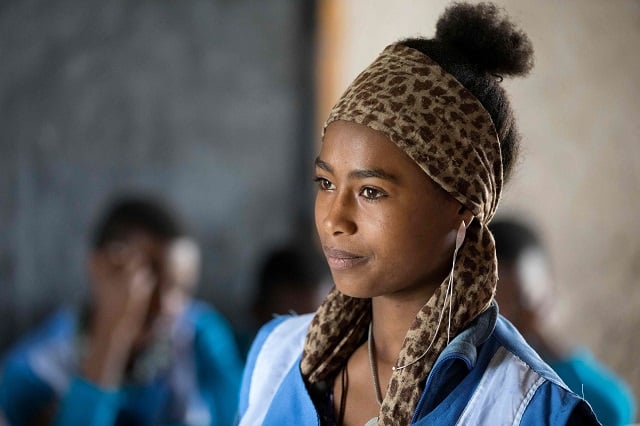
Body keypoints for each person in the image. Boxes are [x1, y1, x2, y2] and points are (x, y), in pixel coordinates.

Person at [238, 3, 599, 425]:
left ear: (461, 206)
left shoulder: (527, 410)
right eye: (326, 183)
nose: (335, 219)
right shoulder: (277, 357)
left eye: (371, 191)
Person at [0, 194, 243, 426]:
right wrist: (110, 337)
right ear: (98, 268)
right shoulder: (38, 368)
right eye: (150, 282)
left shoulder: (199, 337)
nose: (168, 305)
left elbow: (240, 415)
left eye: (182, 289)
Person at [490, 217, 637, 426]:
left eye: (523, 302)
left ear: (547, 295)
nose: (510, 320)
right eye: (496, 307)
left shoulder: (553, 370)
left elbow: (615, 412)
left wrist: (547, 341)